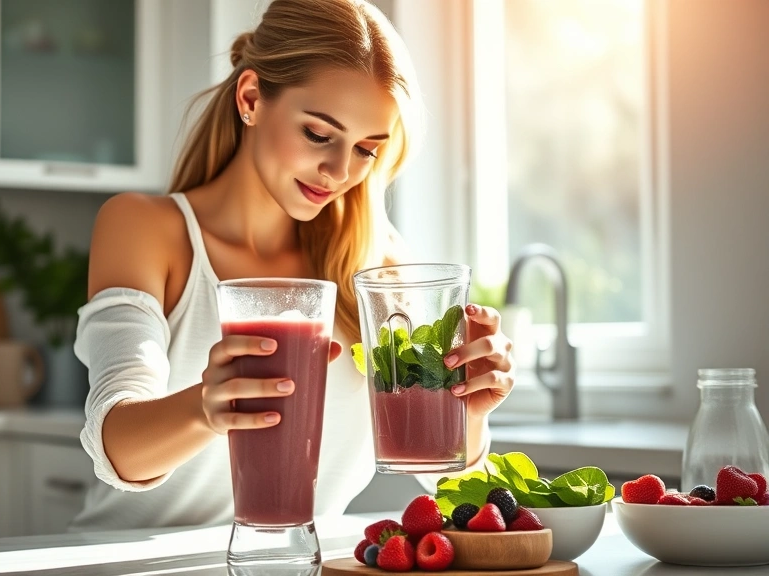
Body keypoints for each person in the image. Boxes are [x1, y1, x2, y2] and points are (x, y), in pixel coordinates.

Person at [71, 0, 515, 531]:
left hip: (294, 566)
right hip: (129, 563)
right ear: (252, 97)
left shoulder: (381, 268)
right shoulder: (149, 229)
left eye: (366, 150)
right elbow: (116, 443)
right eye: (319, 135)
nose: (339, 171)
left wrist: (465, 418)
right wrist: (205, 407)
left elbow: (447, 483)